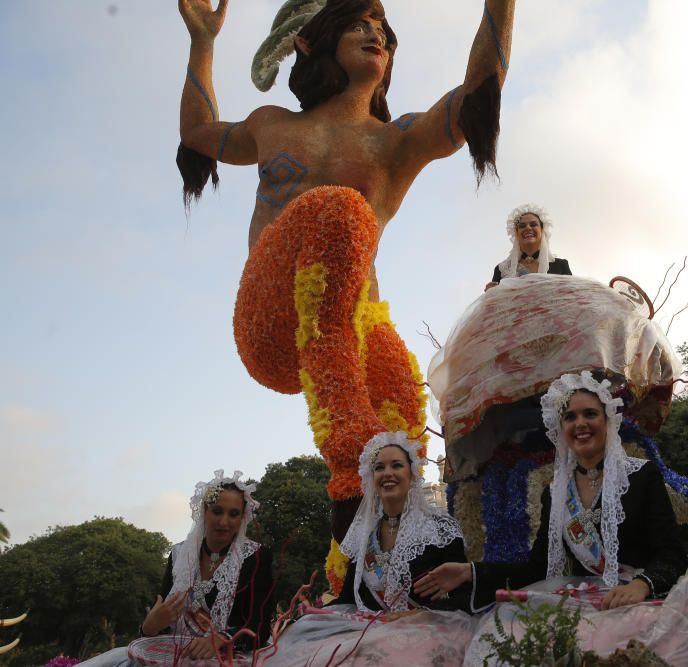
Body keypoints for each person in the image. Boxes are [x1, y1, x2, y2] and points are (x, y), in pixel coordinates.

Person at [176, 0, 516, 591]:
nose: (374, 35)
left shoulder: (396, 141)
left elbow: (477, 94)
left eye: (382, 29)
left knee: (401, 430)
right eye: (359, 25)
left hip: (354, 326)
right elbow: (196, 137)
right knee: (339, 209)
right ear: (313, 42)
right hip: (273, 318)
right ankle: (350, 456)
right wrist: (203, 42)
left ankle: (368, 585)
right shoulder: (272, 123)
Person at [415, 371, 688, 611]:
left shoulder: (641, 475)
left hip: (642, 600)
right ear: (561, 429)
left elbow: (672, 554)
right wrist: (470, 571)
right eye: (570, 417)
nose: (580, 423)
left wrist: (642, 585)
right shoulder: (556, 493)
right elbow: (538, 567)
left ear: (608, 421)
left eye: (590, 413)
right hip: (590, 603)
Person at [260, 432, 476, 665]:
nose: (388, 473)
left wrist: (420, 614)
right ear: (371, 478)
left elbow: (463, 597)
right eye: (379, 468)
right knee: (298, 640)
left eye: (397, 465)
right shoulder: (364, 534)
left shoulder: (439, 529)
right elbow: (348, 598)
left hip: (424, 629)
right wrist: (311, 616)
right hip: (369, 629)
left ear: (411, 475)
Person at [78, 470, 275, 665]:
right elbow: (161, 619)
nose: (224, 522)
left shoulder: (255, 557)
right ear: (204, 511)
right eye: (217, 511)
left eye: (233, 514)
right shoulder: (180, 555)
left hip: (227, 657)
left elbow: (260, 626)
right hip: (172, 654)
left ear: (242, 518)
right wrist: (149, 626)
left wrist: (222, 638)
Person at [484, 204, 572, 291]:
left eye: (533, 224)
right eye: (522, 226)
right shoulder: (503, 269)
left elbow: (574, 298)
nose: (528, 228)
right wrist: (490, 294)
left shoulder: (561, 265)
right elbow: (495, 304)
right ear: (516, 233)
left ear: (542, 230)